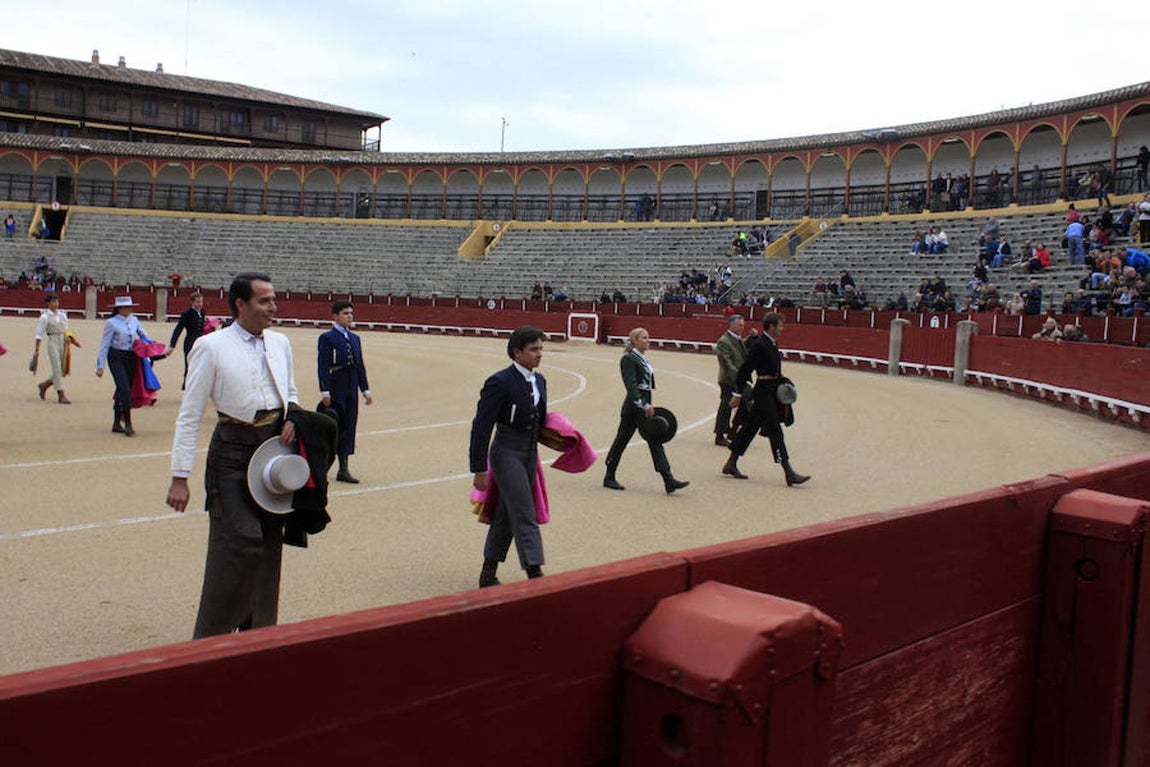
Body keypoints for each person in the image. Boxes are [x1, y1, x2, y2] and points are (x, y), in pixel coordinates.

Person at [166, 272, 300, 638]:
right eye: (264, 301)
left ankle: (258, 634)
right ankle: (211, 638)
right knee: (238, 542)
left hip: (273, 452)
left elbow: (290, 391)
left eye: (273, 300)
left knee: (270, 543)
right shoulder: (211, 346)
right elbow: (190, 414)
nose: (273, 308)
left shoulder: (281, 343)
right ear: (240, 304)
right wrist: (180, 476)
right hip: (231, 451)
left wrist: (293, 416)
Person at [469, 327, 549, 587]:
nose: (539, 354)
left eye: (541, 349)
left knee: (505, 513)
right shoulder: (500, 382)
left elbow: (540, 421)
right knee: (525, 511)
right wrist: (479, 468)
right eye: (533, 349)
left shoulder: (540, 381)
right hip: (506, 453)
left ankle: (488, 573)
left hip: (529, 453)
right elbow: (482, 426)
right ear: (517, 352)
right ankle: (535, 573)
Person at [721, 312, 809, 486]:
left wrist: (783, 380)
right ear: (771, 326)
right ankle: (788, 471)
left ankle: (731, 463)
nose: (782, 328)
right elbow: (745, 370)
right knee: (775, 430)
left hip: (770, 391)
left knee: (749, 428)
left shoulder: (772, 343)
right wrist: (738, 394)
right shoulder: (760, 345)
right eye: (780, 325)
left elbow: (772, 371)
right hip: (762, 394)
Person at [602, 328, 689, 495]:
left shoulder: (640, 357)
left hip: (643, 404)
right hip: (635, 407)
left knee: (653, 438)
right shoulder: (628, 359)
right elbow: (631, 385)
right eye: (644, 338)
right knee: (625, 440)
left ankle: (668, 479)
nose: (648, 340)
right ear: (634, 341)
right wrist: (643, 404)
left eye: (648, 337)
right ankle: (609, 476)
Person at [318, 300, 373, 483]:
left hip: (351, 385)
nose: (349, 316)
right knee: (334, 428)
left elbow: (360, 365)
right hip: (336, 385)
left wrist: (365, 388)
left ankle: (343, 469)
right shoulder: (327, 338)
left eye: (351, 313)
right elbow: (323, 365)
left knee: (349, 427)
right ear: (335, 316)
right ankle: (322, 469)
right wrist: (325, 390)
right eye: (345, 313)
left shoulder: (355, 338)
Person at [96, 296, 162, 436]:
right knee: (125, 389)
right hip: (116, 357)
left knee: (123, 389)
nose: (129, 309)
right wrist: (100, 365)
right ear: (119, 309)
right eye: (127, 307)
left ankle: (116, 423)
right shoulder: (111, 323)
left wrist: (153, 347)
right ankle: (128, 422)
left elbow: (144, 336)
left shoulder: (134, 320)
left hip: (132, 357)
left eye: (130, 307)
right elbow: (105, 344)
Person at [32, 293, 76, 404]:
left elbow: (66, 330)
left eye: (57, 301)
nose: (56, 304)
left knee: (63, 370)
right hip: (52, 341)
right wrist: (37, 350)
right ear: (47, 303)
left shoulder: (63, 315)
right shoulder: (45, 317)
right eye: (53, 302)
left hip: (63, 342)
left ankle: (44, 385)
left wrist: (69, 338)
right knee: (57, 369)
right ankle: (61, 395)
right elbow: (39, 334)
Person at [714, 314, 750, 447]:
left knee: (744, 401)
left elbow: (741, 349)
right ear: (732, 325)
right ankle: (720, 435)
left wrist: (751, 338)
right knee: (726, 406)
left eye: (743, 325)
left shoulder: (735, 339)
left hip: (737, 378)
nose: (742, 327)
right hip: (728, 380)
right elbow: (727, 363)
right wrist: (740, 376)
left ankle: (732, 430)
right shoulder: (723, 341)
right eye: (740, 325)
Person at [167, 292, 207, 389]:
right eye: (197, 302)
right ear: (192, 302)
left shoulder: (202, 312)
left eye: (201, 302)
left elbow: (202, 328)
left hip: (200, 343)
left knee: (200, 366)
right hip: (189, 343)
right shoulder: (187, 314)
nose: (200, 304)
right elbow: (178, 329)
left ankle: (196, 387)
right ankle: (186, 387)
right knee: (189, 366)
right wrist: (172, 345)